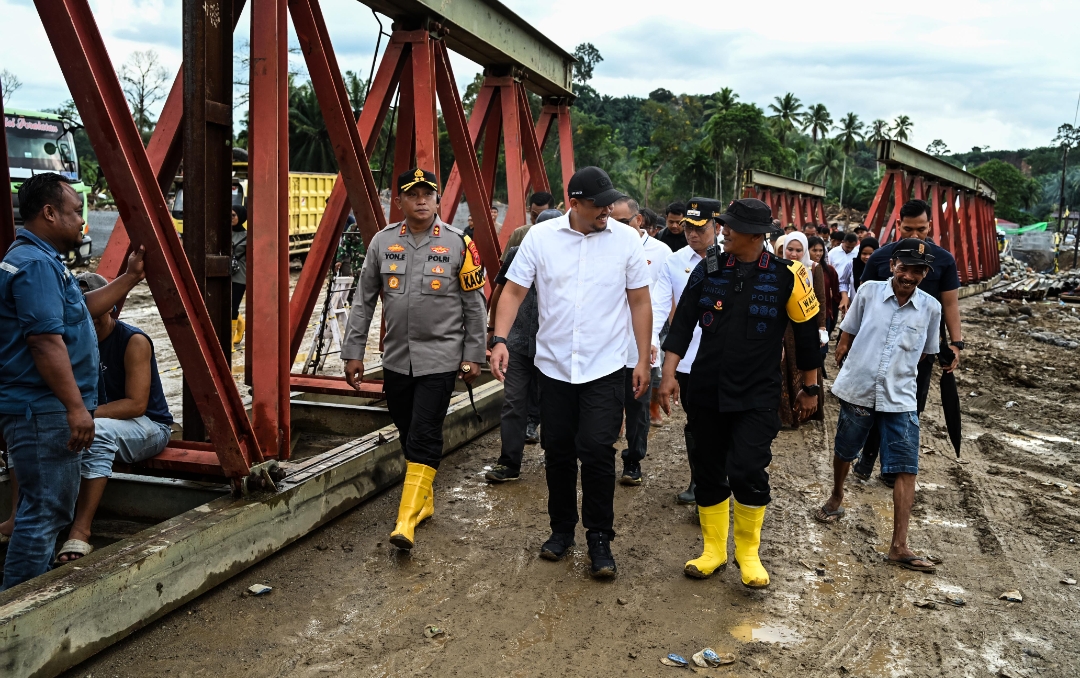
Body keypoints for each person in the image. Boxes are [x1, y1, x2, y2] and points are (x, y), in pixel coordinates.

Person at [490, 166, 652, 580]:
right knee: (557, 452)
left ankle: (599, 538)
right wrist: (500, 340)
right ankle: (561, 531)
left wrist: (641, 359)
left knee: (597, 451)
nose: (607, 212)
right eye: (599, 206)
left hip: (605, 367)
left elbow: (639, 302)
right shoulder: (541, 239)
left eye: (609, 205)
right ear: (575, 204)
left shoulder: (627, 240)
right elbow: (513, 290)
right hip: (555, 367)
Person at [658, 198, 821, 587]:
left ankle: (748, 552)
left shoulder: (789, 274)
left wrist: (810, 387)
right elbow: (681, 326)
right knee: (708, 467)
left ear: (754, 234)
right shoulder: (708, 268)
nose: (723, 231)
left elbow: (806, 337)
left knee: (747, 469)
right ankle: (713, 551)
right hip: (706, 389)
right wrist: (668, 375)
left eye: (730, 226)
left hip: (758, 394)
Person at [0, 172, 145, 589]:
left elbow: (77, 309)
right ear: (49, 213)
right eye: (76, 212)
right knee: (46, 512)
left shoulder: (34, 260)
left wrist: (130, 278)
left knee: (38, 508)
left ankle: (29, 589)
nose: (82, 221)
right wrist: (76, 408)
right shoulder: (35, 266)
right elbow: (46, 342)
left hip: (36, 408)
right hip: (43, 411)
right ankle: (19, 611)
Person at [341, 168, 487, 551]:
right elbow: (363, 303)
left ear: (438, 200)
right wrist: (353, 352)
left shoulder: (459, 244)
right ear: (399, 201)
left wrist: (474, 356)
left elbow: (475, 307)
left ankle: (405, 520)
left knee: (423, 433)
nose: (421, 200)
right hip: (397, 360)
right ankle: (423, 502)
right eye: (412, 194)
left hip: (441, 360)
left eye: (428, 193)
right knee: (408, 431)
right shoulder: (382, 242)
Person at [815, 239, 942, 574]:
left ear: (925, 274)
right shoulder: (869, 291)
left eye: (918, 271)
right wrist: (844, 350)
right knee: (845, 449)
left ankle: (899, 545)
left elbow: (927, 352)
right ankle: (837, 495)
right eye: (905, 268)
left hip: (900, 397)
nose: (909, 276)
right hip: (860, 389)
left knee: (906, 466)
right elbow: (849, 330)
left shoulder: (931, 308)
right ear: (892, 267)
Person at [45, 273, 173, 562]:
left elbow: (136, 405)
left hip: (149, 426)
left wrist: (81, 415)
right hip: (101, 423)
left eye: (94, 312)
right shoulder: (68, 343)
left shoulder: (133, 341)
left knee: (98, 430)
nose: (87, 321)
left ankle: (81, 531)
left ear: (111, 308)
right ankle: (34, 520)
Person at [855, 200, 963, 485]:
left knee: (909, 407)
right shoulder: (881, 258)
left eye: (921, 229)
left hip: (920, 351)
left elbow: (950, 304)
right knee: (874, 402)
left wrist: (956, 343)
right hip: (879, 347)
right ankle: (867, 454)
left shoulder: (944, 261)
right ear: (898, 225)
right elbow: (862, 301)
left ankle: (892, 466)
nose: (915, 235)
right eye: (908, 229)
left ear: (930, 226)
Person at [650, 197, 722, 505]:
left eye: (700, 228)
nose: (692, 234)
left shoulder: (735, 255)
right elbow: (658, 304)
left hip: (727, 357)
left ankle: (719, 479)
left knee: (723, 421)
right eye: (688, 227)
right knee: (695, 421)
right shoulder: (675, 261)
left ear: (715, 227)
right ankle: (700, 479)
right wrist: (652, 340)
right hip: (689, 357)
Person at [483, 209, 563, 483]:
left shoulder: (570, 257)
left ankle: (556, 460)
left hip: (551, 344)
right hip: (516, 342)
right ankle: (509, 463)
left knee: (553, 404)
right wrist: (494, 332)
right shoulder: (519, 253)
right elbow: (500, 292)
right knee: (514, 403)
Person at [610, 195, 671, 486]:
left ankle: (633, 459)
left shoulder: (661, 252)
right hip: (605, 346)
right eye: (611, 221)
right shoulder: (601, 246)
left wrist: (654, 340)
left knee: (637, 408)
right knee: (605, 407)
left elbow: (661, 301)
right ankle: (600, 456)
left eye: (622, 222)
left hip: (640, 347)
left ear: (639, 220)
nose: (616, 227)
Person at [778, 232, 828, 428]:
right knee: (784, 368)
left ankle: (805, 413)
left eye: (799, 250)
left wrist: (821, 327)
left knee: (805, 365)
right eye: (790, 249)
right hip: (784, 326)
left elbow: (821, 300)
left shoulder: (813, 269)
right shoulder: (779, 268)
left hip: (805, 325)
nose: (794, 254)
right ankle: (785, 416)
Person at [808, 236, 840, 370]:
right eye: (814, 250)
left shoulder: (829, 270)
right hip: (807, 316)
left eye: (821, 250)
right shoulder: (803, 268)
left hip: (824, 315)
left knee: (822, 350)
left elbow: (836, 292)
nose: (818, 254)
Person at [230, 205, 247, 347]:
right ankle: (241, 323)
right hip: (225, 274)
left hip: (240, 276)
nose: (231, 218)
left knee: (232, 306)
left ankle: (230, 339)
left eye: (233, 215)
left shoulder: (247, 236)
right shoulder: (224, 232)